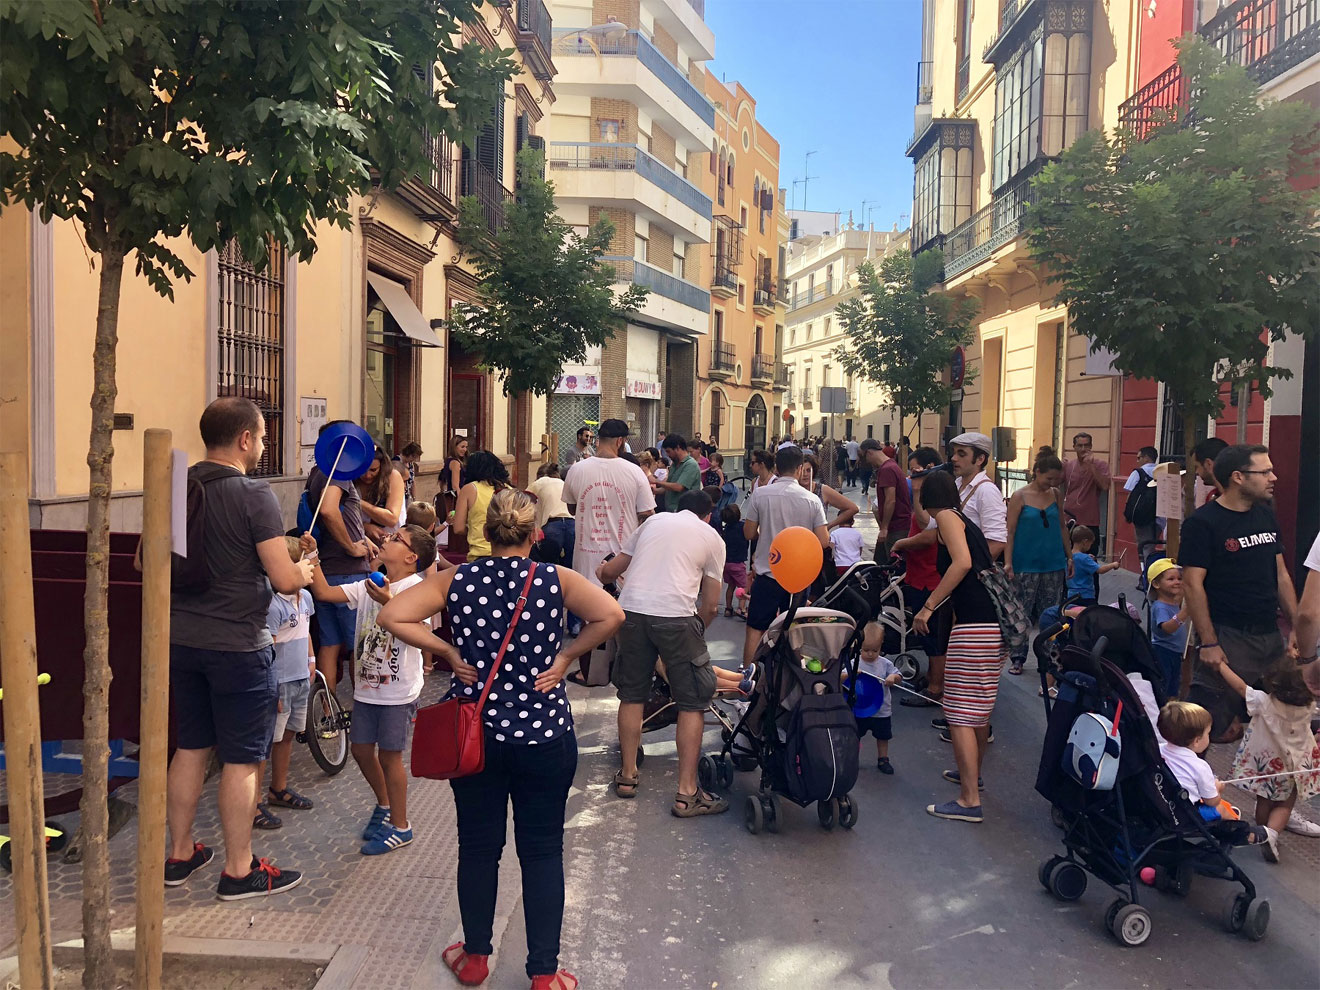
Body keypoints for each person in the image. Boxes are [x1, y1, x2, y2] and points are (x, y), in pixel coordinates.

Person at [378, 490, 623, 990]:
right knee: (542, 851)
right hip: (544, 736)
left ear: (485, 533)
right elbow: (612, 616)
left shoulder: (456, 579)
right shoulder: (557, 581)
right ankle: (543, 974)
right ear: (536, 536)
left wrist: (446, 647)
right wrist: (565, 658)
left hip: (477, 737)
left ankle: (474, 958)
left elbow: (392, 615)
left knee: (477, 847)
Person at [166, 396, 313, 898]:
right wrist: (304, 572)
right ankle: (238, 868)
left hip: (181, 639)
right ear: (245, 438)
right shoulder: (255, 494)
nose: (265, 445)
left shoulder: (174, 487)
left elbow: (148, 562)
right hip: (238, 645)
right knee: (242, 757)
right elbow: (284, 577)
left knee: (189, 747)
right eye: (264, 436)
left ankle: (180, 853)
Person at [308, 524, 437, 854]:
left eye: (397, 539)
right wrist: (312, 554)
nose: (386, 539)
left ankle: (401, 825)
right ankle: (384, 805)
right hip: (366, 686)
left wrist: (390, 601)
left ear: (411, 557)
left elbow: (421, 632)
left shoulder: (416, 589)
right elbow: (323, 592)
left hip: (398, 690)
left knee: (390, 757)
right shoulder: (367, 585)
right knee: (361, 750)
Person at [598, 490, 728, 817]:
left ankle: (627, 776)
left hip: (631, 613)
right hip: (676, 618)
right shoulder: (712, 537)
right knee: (693, 702)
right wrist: (695, 631)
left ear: (677, 509)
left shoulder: (653, 522)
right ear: (708, 515)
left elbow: (612, 571)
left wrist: (602, 574)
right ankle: (687, 794)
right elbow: (711, 605)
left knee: (632, 695)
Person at [1182, 445, 1299, 743]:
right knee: (1206, 729)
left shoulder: (1265, 515)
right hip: (1229, 638)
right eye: (1265, 471)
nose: (1273, 477)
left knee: (1278, 731)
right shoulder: (1202, 523)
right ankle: (1197, 787)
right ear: (1238, 477)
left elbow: (1281, 575)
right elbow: (1192, 585)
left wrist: (1297, 626)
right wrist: (1208, 642)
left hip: (1270, 637)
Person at [913, 470, 1005, 824]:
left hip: (975, 625)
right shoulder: (962, 518)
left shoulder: (948, 517)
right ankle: (973, 778)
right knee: (978, 709)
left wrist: (929, 605)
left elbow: (962, 563)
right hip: (988, 624)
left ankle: (968, 800)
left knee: (960, 712)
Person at [1206, 656, 1320, 863]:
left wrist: (1221, 665)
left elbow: (1240, 687)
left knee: (1264, 799)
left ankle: (1260, 832)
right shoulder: (1309, 705)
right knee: (1285, 803)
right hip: (1291, 765)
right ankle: (1272, 833)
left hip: (1265, 762)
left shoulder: (1263, 702)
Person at [741, 445, 830, 664]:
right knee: (794, 630)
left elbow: (749, 532)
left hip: (767, 573)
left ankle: (747, 681)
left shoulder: (760, 494)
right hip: (798, 578)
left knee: (756, 628)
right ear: (800, 469)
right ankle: (790, 677)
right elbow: (824, 540)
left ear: (777, 468)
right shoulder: (811, 500)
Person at [305, 420, 374, 693]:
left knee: (330, 645)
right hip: (347, 571)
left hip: (326, 571)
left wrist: (363, 538)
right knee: (359, 646)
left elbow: (338, 514)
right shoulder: (337, 472)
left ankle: (328, 713)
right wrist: (351, 547)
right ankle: (365, 712)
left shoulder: (316, 472)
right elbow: (330, 510)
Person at [254, 537, 317, 832]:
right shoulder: (273, 605)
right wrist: (274, 685)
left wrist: (311, 659)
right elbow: (269, 650)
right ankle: (253, 803)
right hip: (281, 682)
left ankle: (278, 789)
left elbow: (306, 631)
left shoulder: (305, 598)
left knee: (289, 734)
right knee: (269, 742)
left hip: (301, 677)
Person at [561, 418, 655, 595]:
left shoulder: (576, 470)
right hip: (621, 562)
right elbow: (648, 513)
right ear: (620, 441)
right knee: (619, 614)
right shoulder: (634, 472)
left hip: (585, 561)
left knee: (587, 614)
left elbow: (572, 509)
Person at [1003, 447, 1072, 676]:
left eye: (1056, 479)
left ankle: (1050, 658)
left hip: (1053, 562)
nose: (1052, 483)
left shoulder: (1055, 495)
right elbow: (1010, 532)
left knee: (1051, 612)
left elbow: (1062, 526)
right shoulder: (1020, 496)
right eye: (1049, 478)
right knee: (1022, 612)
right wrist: (1008, 562)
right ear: (1037, 472)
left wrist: (1069, 555)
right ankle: (1018, 657)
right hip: (1026, 562)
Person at [894, 448, 949, 710]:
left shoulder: (937, 498)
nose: (910, 475)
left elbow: (929, 528)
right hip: (920, 575)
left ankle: (936, 688)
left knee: (934, 637)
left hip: (931, 578)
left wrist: (901, 543)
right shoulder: (929, 496)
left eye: (915, 469)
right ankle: (932, 677)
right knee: (929, 638)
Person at [1156, 701, 1252, 825]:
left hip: (1158, 806)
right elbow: (1212, 801)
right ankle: (1241, 832)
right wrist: (1217, 788)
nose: (1209, 736)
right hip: (1183, 815)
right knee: (1219, 809)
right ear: (1196, 741)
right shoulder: (1199, 766)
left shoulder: (1157, 750)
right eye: (1208, 733)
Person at [842, 622, 902, 773]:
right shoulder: (854, 663)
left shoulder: (885, 664)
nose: (870, 654)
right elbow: (841, 677)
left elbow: (898, 676)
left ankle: (883, 759)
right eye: (866, 650)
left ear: (881, 646)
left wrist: (892, 678)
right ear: (859, 646)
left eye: (875, 650)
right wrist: (850, 674)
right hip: (860, 708)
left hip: (881, 709)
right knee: (855, 735)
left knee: (883, 736)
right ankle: (852, 758)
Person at [453, 450, 511, 562]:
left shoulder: (470, 489)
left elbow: (458, 528)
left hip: (480, 553)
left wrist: (474, 529)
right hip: (507, 551)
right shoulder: (509, 490)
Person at [1062, 432, 1112, 560]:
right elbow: (1055, 485)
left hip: (1089, 521)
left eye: (1086, 446)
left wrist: (1091, 466)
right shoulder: (1069, 465)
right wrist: (1059, 468)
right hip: (1069, 520)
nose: (1083, 449)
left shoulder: (1100, 465)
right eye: (1080, 446)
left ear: (1091, 446)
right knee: (1068, 558)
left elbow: (1105, 486)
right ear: (1074, 447)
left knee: (1090, 560)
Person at [1148, 559, 1189, 699]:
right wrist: (1184, 613)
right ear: (1156, 584)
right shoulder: (1160, 606)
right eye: (1171, 579)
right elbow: (1167, 628)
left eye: (1179, 578)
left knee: (1173, 686)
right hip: (1163, 652)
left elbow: (1184, 590)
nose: (1177, 582)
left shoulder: (1173, 602)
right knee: (1164, 687)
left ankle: (1171, 708)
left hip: (1175, 652)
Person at [356, 445, 406, 544]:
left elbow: (391, 519)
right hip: (360, 542)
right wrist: (365, 526)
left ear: (382, 466)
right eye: (362, 470)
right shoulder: (351, 480)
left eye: (373, 470)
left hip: (390, 543)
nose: (367, 475)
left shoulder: (392, 476)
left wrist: (357, 501)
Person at [800, 452, 858, 529]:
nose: (805, 474)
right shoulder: (791, 491)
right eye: (802, 470)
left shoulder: (822, 490)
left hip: (818, 538)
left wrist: (830, 525)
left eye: (808, 470)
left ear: (814, 471)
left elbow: (853, 508)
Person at [1066, 526, 1119, 606]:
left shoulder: (1068, 557)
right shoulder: (1085, 558)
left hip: (1071, 596)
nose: (1090, 547)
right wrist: (1113, 564)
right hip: (1086, 596)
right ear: (1085, 542)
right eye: (1090, 544)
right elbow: (1100, 570)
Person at [1123, 445, 1161, 558]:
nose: (1137, 461)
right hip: (1159, 516)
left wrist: (1127, 513)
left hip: (1142, 516)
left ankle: (1147, 570)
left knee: (1144, 545)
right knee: (1153, 545)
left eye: (1139, 458)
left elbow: (1129, 492)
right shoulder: (1163, 471)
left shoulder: (1138, 473)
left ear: (1147, 458)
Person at [656, 433, 702, 511]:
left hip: (685, 512)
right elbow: (668, 487)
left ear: (677, 448)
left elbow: (678, 487)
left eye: (669, 451)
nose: (667, 455)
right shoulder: (674, 465)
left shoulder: (690, 465)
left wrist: (657, 481)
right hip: (671, 510)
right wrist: (655, 491)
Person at [721, 503, 750, 617]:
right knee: (744, 587)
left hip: (727, 562)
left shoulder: (726, 529)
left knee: (731, 586)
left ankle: (728, 608)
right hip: (738, 563)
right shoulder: (743, 527)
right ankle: (741, 608)